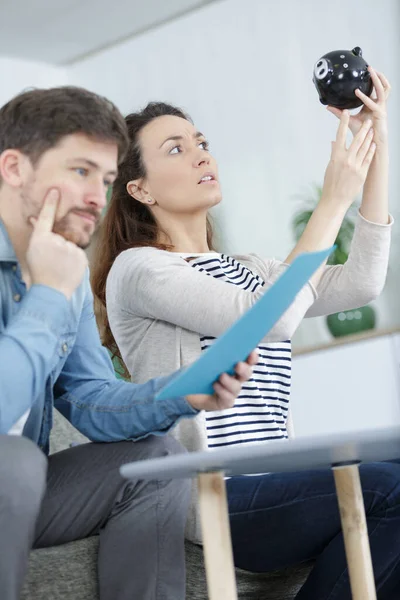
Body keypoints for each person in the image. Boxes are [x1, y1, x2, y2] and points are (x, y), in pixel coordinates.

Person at [93, 67, 400, 599]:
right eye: (175, 149)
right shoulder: (139, 270)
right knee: (388, 486)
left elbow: (362, 283)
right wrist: (331, 200)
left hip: (276, 478)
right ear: (139, 187)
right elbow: (269, 317)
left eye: (202, 142)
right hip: (217, 494)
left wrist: (374, 145)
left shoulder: (252, 267)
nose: (202, 155)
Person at [0, 86, 257, 600]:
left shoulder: (61, 266)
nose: (98, 195)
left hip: (22, 490)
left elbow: (92, 398)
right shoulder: (58, 277)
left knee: (155, 460)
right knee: (18, 462)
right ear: (13, 169)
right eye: (80, 171)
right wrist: (48, 293)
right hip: (13, 473)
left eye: (108, 178)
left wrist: (184, 392)